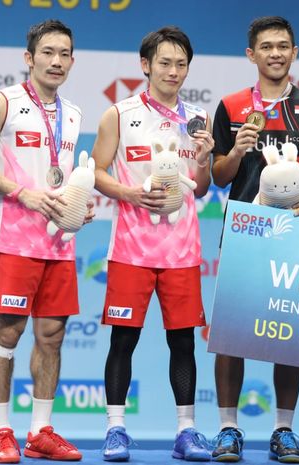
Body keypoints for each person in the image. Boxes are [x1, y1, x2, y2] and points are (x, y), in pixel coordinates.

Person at [0, 19, 89, 464]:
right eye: (48, 52)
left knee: (52, 336)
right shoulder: (3, 103)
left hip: (58, 243)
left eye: (65, 54)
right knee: (8, 333)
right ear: (29, 57)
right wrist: (23, 193)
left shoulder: (72, 114)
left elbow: (65, 174)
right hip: (14, 239)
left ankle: (40, 431)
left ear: (72, 61)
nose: (57, 61)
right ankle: (0, 431)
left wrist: (79, 205)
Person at [210, 16, 299, 464]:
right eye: (266, 46)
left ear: (294, 52)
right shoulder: (231, 105)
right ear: (251, 54)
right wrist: (239, 149)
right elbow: (219, 177)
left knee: (290, 333)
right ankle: (228, 429)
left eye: (283, 46)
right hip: (245, 230)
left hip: (298, 234)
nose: (275, 53)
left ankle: (284, 429)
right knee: (231, 336)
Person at [90, 26, 214, 462]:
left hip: (181, 251)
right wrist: (129, 193)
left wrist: (203, 160)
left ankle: (186, 431)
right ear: (145, 65)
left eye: (181, 64)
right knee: (123, 341)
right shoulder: (119, 115)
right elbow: (97, 171)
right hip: (131, 251)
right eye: (165, 62)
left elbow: (201, 187)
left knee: (183, 343)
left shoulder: (198, 119)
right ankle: (116, 429)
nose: (173, 71)